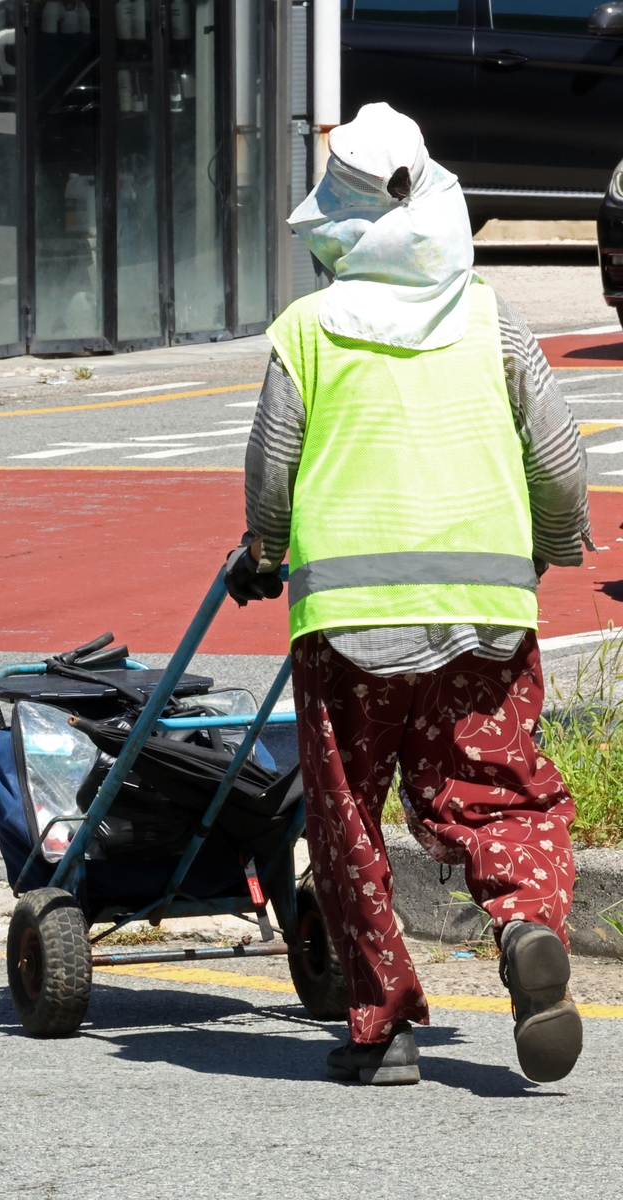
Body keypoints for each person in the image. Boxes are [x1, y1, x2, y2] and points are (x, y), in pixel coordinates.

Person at [225, 103, 590, 1087]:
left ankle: (383, 1026)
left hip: (349, 626)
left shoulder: (304, 332)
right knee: (497, 783)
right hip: (484, 610)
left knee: (345, 817)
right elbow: (555, 459)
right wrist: (552, 547)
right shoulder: (491, 320)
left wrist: (264, 551)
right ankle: (521, 925)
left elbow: (270, 474)